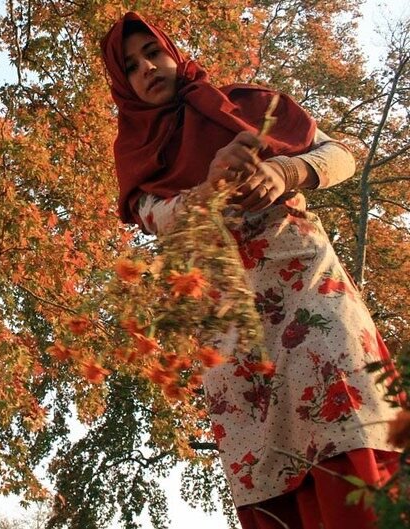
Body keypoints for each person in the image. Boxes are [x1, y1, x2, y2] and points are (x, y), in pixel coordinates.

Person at [101, 12, 401, 529]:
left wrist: (286, 170)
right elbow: (158, 218)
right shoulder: (136, 151)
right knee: (263, 454)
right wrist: (212, 186)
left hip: (305, 284)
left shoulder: (246, 105)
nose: (147, 67)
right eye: (130, 65)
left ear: (173, 52)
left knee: (346, 418)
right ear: (121, 83)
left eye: (153, 51)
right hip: (227, 316)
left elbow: (339, 155)